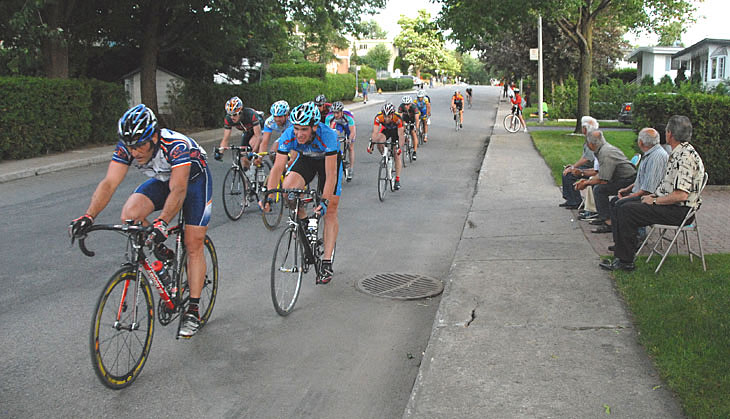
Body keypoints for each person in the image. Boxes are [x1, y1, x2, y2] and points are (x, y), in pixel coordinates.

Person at [69, 104, 212, 338]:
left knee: (193, 242)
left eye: (139, 145)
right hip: (163, 179)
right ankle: (161, 250)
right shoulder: (128, 147)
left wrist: (162, 222)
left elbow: (178, 189)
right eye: (130, 146)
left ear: (154, 137)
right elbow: (109, 183)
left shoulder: (175, 146)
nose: (134, 152)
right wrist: (89, 215)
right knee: (130, 214)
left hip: (193, 181)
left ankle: (193, 311)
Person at [600, 115, 705, 271]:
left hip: (680, 211)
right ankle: (622, 255)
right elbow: (669, 188)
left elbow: (681, 195)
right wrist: (653, 196)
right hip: (673, 205)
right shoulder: (679, 152)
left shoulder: (684, 157)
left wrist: (654, 201)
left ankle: (625, 261)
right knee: (621, 205)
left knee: (627, 210)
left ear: (669, 134)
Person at [260, 102, 342, 284]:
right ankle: (304, 221)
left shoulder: (328, 135)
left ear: (314, 127)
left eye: (304, 129)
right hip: (307, 160)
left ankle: (326, 262)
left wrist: (325, 200)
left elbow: (331, 175)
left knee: (330, 210)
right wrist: (269, 196)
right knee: (288, 189)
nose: (299, 134)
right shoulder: (289, 134)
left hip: (328, 163)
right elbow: (277, 168)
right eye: (296, 128)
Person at [607, 127, 669, 249]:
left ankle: (634, 239)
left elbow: (648, 189)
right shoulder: (650, 154)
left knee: (620, 204)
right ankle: (621, 242)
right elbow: (641, 180)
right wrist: (627, 189)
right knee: (616, 201)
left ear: (641, 142)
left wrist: (630, 196)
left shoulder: (656, 157)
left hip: (651, 198)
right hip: (643, 193)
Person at [574, 130, 637, 234]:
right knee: (596, 186)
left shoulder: (605, 153)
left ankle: (608, 222)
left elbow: (603, 179)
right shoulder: (603, 149)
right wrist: (585, 178)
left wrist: (585, 183)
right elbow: (601, 173)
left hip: (627, 180)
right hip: (621, 177)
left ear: (591, 144)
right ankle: (603, 215)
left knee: (599, 189)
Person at [214, 96, 264, 169]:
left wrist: (253, 152)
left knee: (252, 144)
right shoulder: (228, 119)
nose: (232, 117)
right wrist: (220, 152)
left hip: (259, 128)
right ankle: (248, 174)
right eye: (229, 114)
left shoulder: (250, 115)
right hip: (247, 131)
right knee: (243, 158)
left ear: (240, 112)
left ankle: (259, 168)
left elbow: (258, 137)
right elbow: (225, 139)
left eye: (234, 114)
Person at [560, 116, 599, 209]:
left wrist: (573, 168)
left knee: (569, 174)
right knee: (567, 172)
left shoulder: (592, 139)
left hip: (593, 168)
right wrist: (573, 166)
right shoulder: (590, 137)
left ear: (585, 128)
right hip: (590, 166)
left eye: (582, 127)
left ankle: (575, 201)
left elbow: (587, 158)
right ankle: (570, 199)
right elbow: (585, 156)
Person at [367, 102, 405, 190]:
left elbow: (401, 135)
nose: (386, 118)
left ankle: (397, 179)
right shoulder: (378, 117)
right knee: (379, 141)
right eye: (385, 116)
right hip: (386, 130)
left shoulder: (398, 118)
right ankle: (385, 156)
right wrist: (371, 145)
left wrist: (399, 147)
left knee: (396, 154)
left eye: (388, 116)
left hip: (396, 132)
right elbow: (375, 132)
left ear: (392, 115)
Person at [325, 101, 357, 181]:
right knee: (334, 134)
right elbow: (327, 131)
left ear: (342, 112)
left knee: (350, 147)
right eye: (334, 113)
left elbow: (352, 132)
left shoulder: (348, 116)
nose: (335, 115)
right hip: (338, 125)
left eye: (337, 113)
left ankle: (351, 168)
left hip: (348, 126)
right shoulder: (329, 117)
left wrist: (349, 139)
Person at [397, 95, 421, 160]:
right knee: (402, 129)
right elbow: (399, 118)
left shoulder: (414, 107)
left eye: (407, 104)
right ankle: (406, 140)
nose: (405, 106)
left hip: (413, 119)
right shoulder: (401, 107)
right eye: (404, 104)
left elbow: (417, 119)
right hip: (405, 119)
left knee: (413, 133)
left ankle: (414, 152)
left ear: (410, 104)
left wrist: (417, 128)